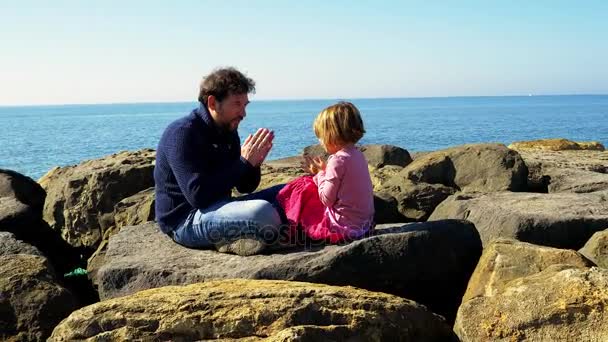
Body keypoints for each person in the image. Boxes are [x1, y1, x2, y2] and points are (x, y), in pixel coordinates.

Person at [154, 67, 284, 256]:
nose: (243, 113)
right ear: (213, 102)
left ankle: (250, 232)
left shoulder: (228, 131)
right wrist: (243, 163)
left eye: (245, 105)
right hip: (186, 221)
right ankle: (247, 235)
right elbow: (198, 196)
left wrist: (254, 164)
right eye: (237, 104)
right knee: (262, 213)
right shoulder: (183, 133)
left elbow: (245, 186)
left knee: (291, 191)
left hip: (221, 208)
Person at [276, 101, 375, 244]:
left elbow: (326, 199)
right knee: (309, 183)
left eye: (321, 136)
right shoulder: (358, 155)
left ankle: (284, 223)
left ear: (332, 134)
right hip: (363, 225)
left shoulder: (337, 160)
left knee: (303, 185)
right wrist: (324, 171)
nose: (320, 141)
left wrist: (319, 174)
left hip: (341, 228)